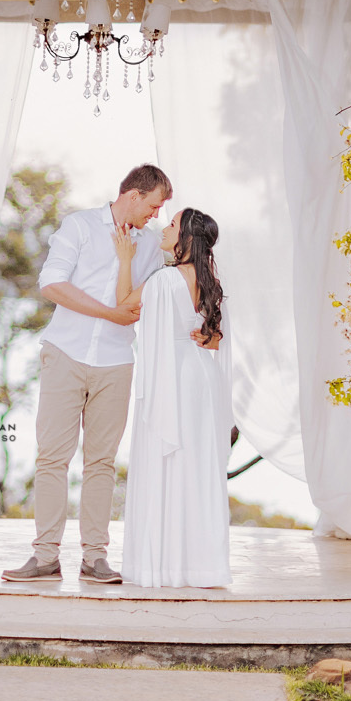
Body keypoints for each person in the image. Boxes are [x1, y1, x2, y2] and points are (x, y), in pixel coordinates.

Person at [1, 163, 172, 585]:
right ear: (133, 195)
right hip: (65, 354)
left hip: (116, 363)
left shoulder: (150, 246)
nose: (155, 216)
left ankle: (95, 557)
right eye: (153, 206)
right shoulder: (78, 226)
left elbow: (137, 305)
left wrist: (120, 311)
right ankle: (44, 556)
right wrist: (110, 312)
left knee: (101, 463)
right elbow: (52, 284)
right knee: (51, 459)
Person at [116, 207, 232, 588]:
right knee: (198, 465)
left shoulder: (165, 280)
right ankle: (201, 566)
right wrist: (199, 335)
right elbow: (214, 339)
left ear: (184, 236)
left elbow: (124, 306)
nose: (164, 229)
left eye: (171, 224)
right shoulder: (209, 278)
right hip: (202, 377)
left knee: (170, 463)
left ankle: (164, 565)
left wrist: (126, 260)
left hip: (175, 379)